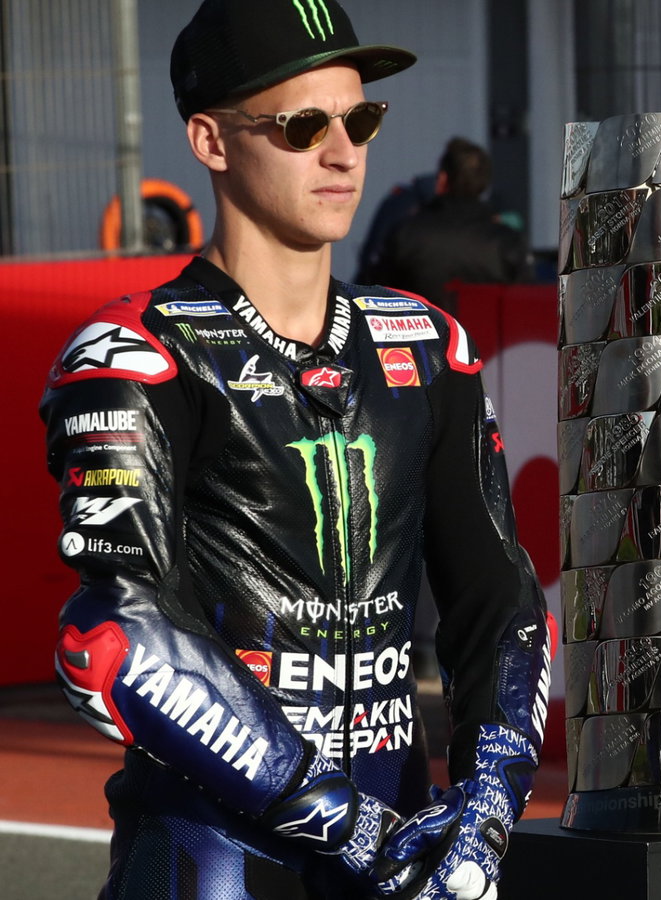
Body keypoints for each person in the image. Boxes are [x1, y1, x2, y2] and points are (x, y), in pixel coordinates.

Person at [39, 1, 551, 898]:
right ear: (210, 141)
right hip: (216, 857)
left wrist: (486, 808)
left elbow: (500, 598)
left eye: (361, 118)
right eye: (302, 124)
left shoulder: (430, 344)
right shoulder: (138, 353)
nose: (343, 151)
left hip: (403, 850)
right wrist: (340, 819)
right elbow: (118, 635)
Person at [369, 137, 529, 315]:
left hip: (422, 340)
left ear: (443, 179)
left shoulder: (406, 233)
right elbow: (525, 305)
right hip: (487, 341)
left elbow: (375, 295)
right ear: (483, 184)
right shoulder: (507, 242)